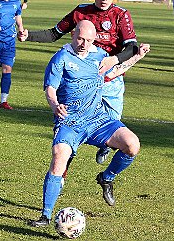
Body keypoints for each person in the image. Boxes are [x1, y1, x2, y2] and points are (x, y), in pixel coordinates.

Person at [18, 0, 147, 168]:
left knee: (114, 129)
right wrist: (29, 35)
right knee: (70, 129)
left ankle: (104, 148)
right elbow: (54, 34)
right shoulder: (81, 12)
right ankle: (62, 171)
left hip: (110, 81)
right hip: (81, 82)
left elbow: (132, 47)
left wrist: (114, 59)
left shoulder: (120, 15)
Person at [29, 20, 149, 227]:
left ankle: (106, 177)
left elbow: (114, 72)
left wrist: (137, 57)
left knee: (132, 145)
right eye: (80, 38)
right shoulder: (61, 58)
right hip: (70, 122)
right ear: (72, 35)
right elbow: (50, 89)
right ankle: (45, 216)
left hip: (98, 120)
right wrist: (55, 104)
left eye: (88, 40)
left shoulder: (100, 55)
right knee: (59, 156)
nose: (84, 43)